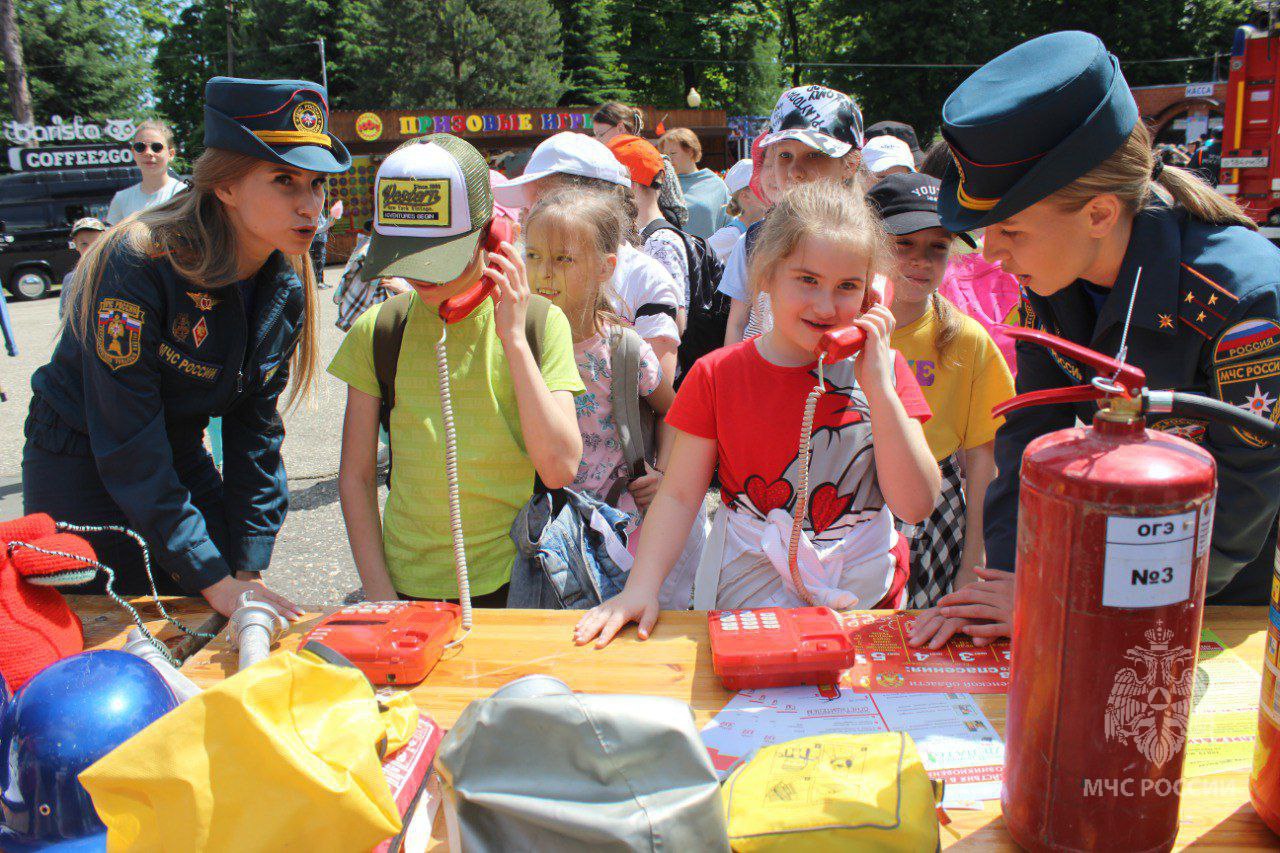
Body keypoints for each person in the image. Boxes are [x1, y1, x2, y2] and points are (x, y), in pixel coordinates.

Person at [910, 31, 1280, 650]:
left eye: (1009, 231)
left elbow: (1241, 507)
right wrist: (1004, 589)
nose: (993, 256)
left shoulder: (1242, 305)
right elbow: (1027, 440)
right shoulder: (1054, 280)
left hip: (1197, 608)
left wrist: (1064, 598)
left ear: (1100, 215)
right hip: (1073, 596)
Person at [23, 76, 347, 618]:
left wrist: (244, 566)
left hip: (173, 447)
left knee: (225, 599)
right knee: (111, 626)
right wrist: (214, 580)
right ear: (224, 186)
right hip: (80, 457)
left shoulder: (283, 287)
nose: (308, 205)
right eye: (284, 180)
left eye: (317, 184)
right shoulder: (138, 263)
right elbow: (126, 441)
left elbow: (256, 435)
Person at [574, 181, 940, 647]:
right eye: (807, 280)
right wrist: (641, 588)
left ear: (873, 295)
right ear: (765, 275)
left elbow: (915, 505)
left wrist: (881, 393)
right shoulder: (717, 375)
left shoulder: (884, 374)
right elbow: (681, 496)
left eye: (848, 287)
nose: (826, 306)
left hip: (863, 603)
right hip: (750, 599)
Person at [330, 134, 584, 604]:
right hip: (405, 583)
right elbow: (357, 476)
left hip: (514, 580)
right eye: (407, 255)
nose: (421, 274)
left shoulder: (540, 325)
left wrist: (512, 339)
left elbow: (560, 467)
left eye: (438, 257)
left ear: (492, 235)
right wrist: (381, 594)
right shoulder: (381, 329)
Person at [869, 172, 1014, 606]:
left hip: (934, 513)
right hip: (849, 502)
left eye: (937, 247)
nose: (922, 261)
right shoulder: (840, 333)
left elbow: (983, 460)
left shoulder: (967, 340)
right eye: (904, 244)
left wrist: (974, 563)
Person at [522, 189, 674, 534]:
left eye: (563, 259)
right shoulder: (514, 342)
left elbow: (672, 411)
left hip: (614, 530)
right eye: (532, 255)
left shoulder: (622, 350)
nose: (544, 272)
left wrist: (661, 473)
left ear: (605, 267)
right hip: (536, 525)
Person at [495, 132, 683, 395]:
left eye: (543, 203)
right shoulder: (523, 270)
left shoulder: (645, 277)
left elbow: (657, 392)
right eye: (528, 209)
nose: (531, 220)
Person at [720, 84, 866, 346]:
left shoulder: (869, 242)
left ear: (850, 165)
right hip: (762, 379)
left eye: (814, 155)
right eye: (785, 155)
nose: (795, 171)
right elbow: (738, 322)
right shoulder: (754, 240)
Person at [608, 134, 690, 311]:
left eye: (607, 185)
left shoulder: (660, 243)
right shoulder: (647, 237)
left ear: (630, 186)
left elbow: (672, 323)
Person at [106, 120, 185, 224]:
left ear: (171, 154)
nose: (148, 153)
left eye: (156, 147)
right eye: (140, 147)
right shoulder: (121, 199)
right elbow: (114, 239)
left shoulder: (185, 194)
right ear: (134, 154)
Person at [658, 127, 730, 240]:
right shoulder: (661, 185)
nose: (668, 159)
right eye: (665, 155)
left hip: (706, 255)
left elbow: (729, 225)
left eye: (673, 153)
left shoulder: (716, 185)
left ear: (691, 152)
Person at [707, 158, 765, 262]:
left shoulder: (767, 227)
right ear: (746, 196)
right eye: (763, 187)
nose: (771, 191)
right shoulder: (731, 234)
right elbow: (698, 255)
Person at [59, 217, 106, 318]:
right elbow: (64, 315)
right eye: (84, 244)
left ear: (106, 241)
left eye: (97, 243)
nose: (91, 249)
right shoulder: (72, 279)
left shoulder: (117, 272)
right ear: (75, 244)